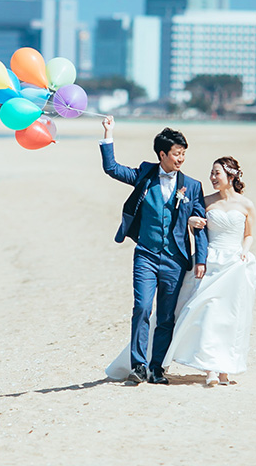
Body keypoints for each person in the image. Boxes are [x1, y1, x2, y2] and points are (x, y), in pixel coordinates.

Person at [99, 116, 207, 385]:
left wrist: (200, 259)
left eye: (183, 154)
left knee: (167, 317)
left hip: (176, 259)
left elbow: (201, 223)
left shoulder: (192, 186)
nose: (181, 158)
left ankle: (157, 367)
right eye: (176, 153)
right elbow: (111, 168)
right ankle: (139, 366)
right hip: (146, 255)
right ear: (163, 154)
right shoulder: (145, 174)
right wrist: (108, 133)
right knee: (142, 307)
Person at [164, 156, 256, 387]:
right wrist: (191, 220)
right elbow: (187, 218)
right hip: (210, 261)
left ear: (231, 176)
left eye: (217, 173)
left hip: (234, 264)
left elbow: (249, 234)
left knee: (229, 317)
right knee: (206, 314)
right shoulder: (206, 202)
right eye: (211, 173)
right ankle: (210, 368)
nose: (212, 177)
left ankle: (224, 368)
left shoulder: (246, 205)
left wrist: (244, 251)